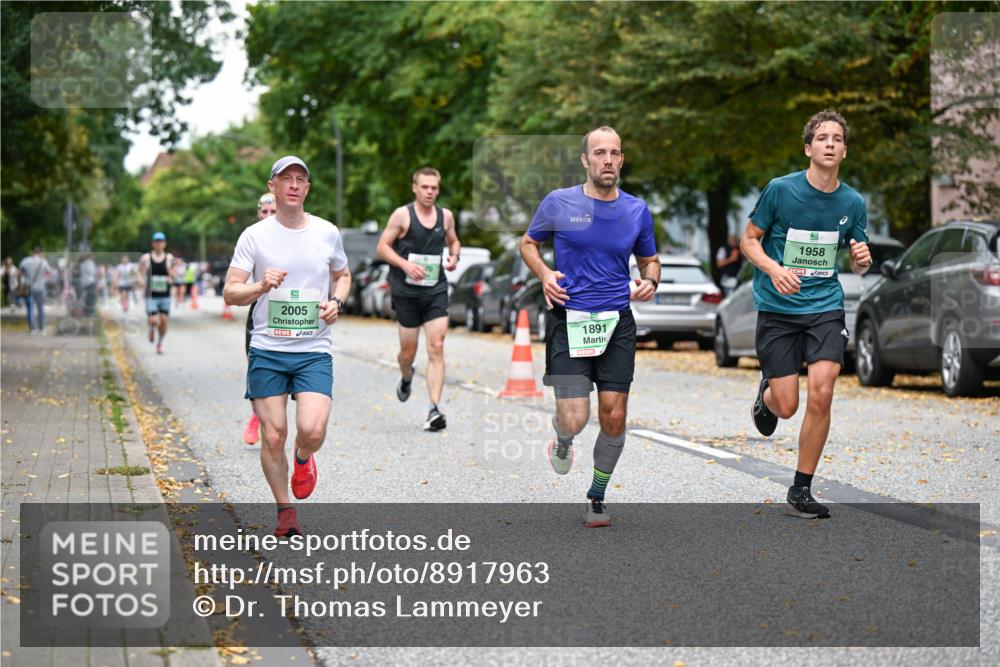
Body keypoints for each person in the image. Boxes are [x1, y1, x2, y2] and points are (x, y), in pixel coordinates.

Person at [520, 126, 660, 528]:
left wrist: (650, 281)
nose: (608, 160)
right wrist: (545, 275)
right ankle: (563, 439)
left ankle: (597, 495)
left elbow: (650, 260)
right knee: (575, 417)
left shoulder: (636, 210)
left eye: (615, 152)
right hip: (570, 319)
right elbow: (528, 243)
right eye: (600, 153)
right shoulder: (559, 203)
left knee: (614, 416)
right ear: (585, 160)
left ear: (622, 159)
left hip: (617, 322)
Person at [740, 110, 871, 520]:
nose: (830, 143)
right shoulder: (780, 190)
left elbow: (860, 260)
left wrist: (862, 259)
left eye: (837, 138)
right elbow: (749, 241)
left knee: (824, 390)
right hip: (779, 309)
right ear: (808, 148)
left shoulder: (852, 202)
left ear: (844, 151)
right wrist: (775, 269)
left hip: (824, 306)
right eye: (822, 137)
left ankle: (801, 488)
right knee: (787, 404)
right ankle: (766, 399)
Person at [224, 156, 351, 537]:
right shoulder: (254, 236)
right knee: (273, 433)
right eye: (286, 179)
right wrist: (261, 285)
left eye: (301, 180)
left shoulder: (327, 232)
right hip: (267, 349)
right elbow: (231, 292)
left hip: (313, 348)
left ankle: (303, 459)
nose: (294, 185)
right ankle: (285, 513)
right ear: (273, 187)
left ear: (307, 189)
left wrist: (337, 302)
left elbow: (342, 275)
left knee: (311, 431)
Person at [376, 167, 461, 431]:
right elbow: (382, 247)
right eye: (425, 187)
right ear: (415, 187)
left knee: (436, 346)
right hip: (406, 293)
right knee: (407, 353)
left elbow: (454, 242)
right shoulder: (402, 215)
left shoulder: (445, 216)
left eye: (434, 188)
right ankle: (406, 375)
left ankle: (434, 409)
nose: (430, 192)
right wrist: (405, 265)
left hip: (435, 290)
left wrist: (454, 257)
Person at [242, 193, 278, 446]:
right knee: (256, 369)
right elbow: (236, 282)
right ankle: (257, 417)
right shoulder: (252, 237)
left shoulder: (298, 233)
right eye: (263, 212)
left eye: (272, 212)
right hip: (259, 311)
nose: (267, 217)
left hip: (292, 313)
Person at [137, 232, 176, 354]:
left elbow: (174, 274)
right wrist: (141, 281)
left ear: (164, 244)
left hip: (165, 294)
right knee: (153, 320)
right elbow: (139, 272)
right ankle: (152, 328)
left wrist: (171, 277)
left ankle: (160, 342)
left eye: (161, 242)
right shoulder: (146, 258)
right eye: (156, 242)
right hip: (151, 295)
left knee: (164, 320)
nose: (159, 244)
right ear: (153, 244)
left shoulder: (170, 258)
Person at [19, 247, 53, 335]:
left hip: (30, 287)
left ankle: (32, 329)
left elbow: (21, 272)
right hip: (41, 287)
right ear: (40, 253)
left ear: (33, 252)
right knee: (40, 308)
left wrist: (25, 280)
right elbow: (50, 272)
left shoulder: (26, 261)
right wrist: (44, 279)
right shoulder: (43, 262)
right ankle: (42, 329)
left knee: (31, 308)